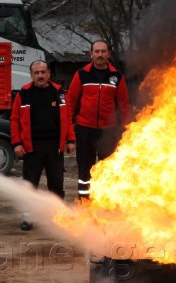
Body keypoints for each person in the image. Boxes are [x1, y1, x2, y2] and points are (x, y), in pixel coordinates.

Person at [10, 60, 75, 231]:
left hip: (55, 146)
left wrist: (70, 140)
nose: (40, 76)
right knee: (30, 184)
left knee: (56, 184)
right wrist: (16, 143)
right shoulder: (24, 94)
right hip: (32, 147)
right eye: (36, 72)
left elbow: (67, 118)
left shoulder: (59, 93)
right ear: (31, 75)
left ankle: (58, 217)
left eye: (43, 72)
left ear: (49, 74)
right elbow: (14, 120)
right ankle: (28, 217)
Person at [66, 40, 130, 199]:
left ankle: (103, 201)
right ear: (91, 54)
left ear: (108, 54)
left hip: (108, 131)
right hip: (85, 128)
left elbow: (123, 104)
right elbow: (71, 101)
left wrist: (126, 130)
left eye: (103, 51)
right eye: (97, 51)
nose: (100, 55)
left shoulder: (117, 76)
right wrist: (69, 127)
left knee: (107, 167)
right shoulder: (81, 74)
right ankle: (84, 200)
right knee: (84, 168)